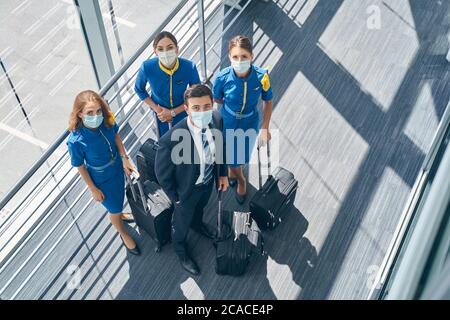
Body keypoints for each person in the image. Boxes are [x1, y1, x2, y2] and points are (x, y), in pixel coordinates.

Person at [155, 84, 228, 275]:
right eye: (196, 108)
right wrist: (176, 198)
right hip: (185, 192)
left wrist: (222, 174)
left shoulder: (218, 119)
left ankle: (198, 224)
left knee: (201, 208)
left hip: (207, 183)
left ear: (212, 105)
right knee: (180, 225)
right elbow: (162, 175)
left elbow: (221, 149)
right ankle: (181, 250)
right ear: (186, 109)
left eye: (206, 107)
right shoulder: (170, 140)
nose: (202, 112)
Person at [67, 90, 141, 256]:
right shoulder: (76, 141)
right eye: (90, 113)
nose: (96, 116)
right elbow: (80, 167)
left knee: (119, 199)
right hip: (102, 179)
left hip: (117, 168)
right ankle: (122, 231)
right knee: (113, 208)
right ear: (79, 114)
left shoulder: (106, 121)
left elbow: (115, 136)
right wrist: (93, 189)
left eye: (98, 111)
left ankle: (119, 214)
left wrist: (124, 158)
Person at [213, 35, 273, 204]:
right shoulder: (221, 78)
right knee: (230, 155)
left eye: (244, 56)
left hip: (250, 122)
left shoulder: (262, 77)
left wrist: (265, 127)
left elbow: (268, 101)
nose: (240, 61)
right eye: (235, 57)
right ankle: (241, 180)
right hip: (228, 120)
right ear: (229, 57)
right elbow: (217, 98)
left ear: (251, 56)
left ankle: (235, 173)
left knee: (242, 154)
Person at [135, 31, 201, 137]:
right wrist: (158, 110)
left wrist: (173, 112)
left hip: (182, 111)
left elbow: (197, 95)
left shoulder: (189, 67)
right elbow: (139, 89)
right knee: (165, 143)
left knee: (185, 141)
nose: (165, 52)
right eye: (160, 49)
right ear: (155, 52)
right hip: (160, 115)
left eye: (170, 47)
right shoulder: (147, 67)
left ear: (177, 49)